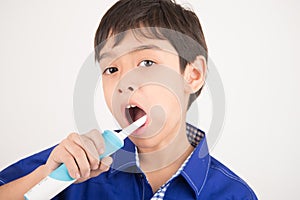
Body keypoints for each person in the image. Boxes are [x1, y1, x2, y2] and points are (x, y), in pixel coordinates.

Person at [0, 0, 258, 199]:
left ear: (193, 75)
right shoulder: (73, 165)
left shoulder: (235, 194)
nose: (124, 83)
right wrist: (45, 177)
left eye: (147, 62)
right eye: (111, 69)